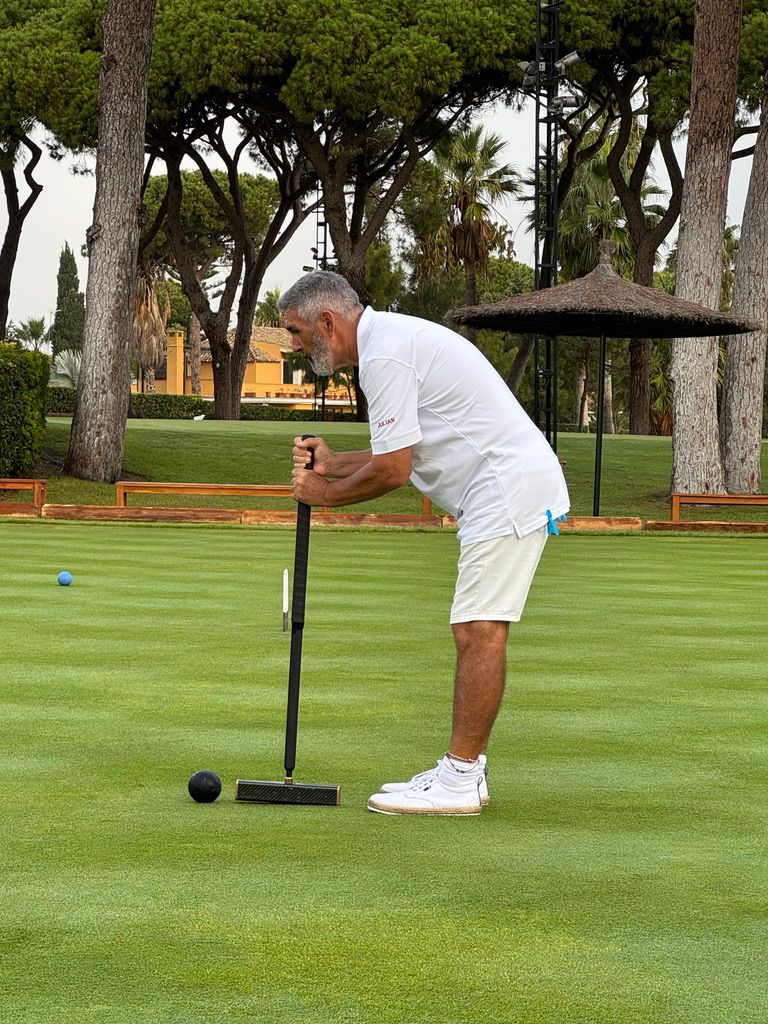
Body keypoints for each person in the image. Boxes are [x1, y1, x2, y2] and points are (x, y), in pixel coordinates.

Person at [279, 271, 569, 816]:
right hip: (502, 486)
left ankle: (460, 777)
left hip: (504, 486)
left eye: (295, 332)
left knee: (478, 629)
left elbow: (393, 469)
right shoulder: (386, 344)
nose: (294, 346)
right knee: (476, 626)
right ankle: (466, 770)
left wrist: (324, 493)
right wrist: (336, 462)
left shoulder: (385, 355)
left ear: (327, 321)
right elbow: (402, 446)